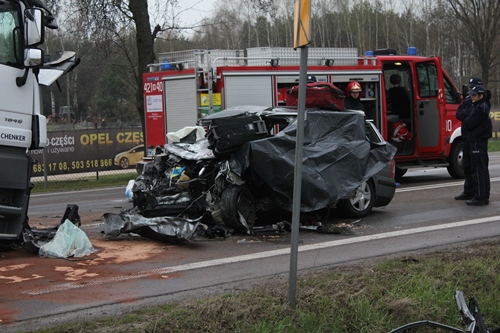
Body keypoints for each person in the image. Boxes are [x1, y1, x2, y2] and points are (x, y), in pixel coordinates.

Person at [461, 85, 492, 206]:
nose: (472, 97)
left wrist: (467, 117)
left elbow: (469, 123)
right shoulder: (479, 106)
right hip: (478, 140)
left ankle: (480, 196)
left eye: (474, 95)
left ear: (481, 96)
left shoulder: (480, 108)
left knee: (478, 169)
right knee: (481, 169)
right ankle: (483, 195)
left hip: (477, 141)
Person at [454, 76, 482, 202]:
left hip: (475, 137)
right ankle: (468, 191)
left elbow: (471, 116)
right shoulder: (467, 100)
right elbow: (459, 113)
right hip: (466, 135)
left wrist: (467, 116)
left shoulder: (482, 102)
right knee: (467, 165)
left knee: (476, 167)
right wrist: (467, 116)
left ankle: (477, 193)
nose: (470, 92)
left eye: (472, 88)